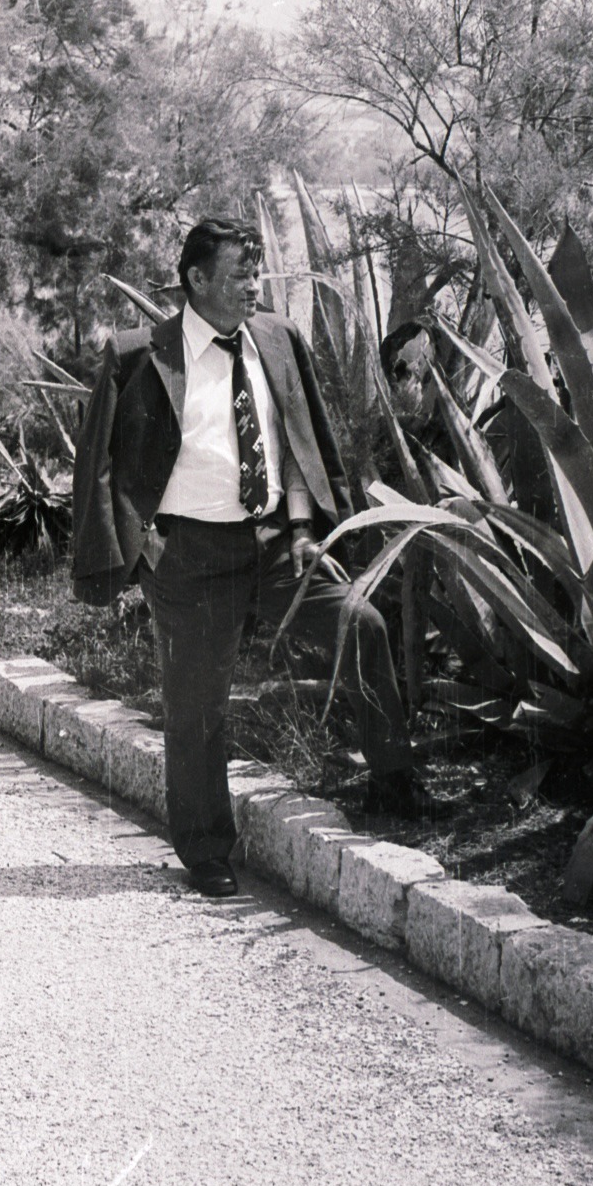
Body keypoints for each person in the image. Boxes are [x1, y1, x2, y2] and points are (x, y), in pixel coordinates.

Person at [72, 216, 428, 897]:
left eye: (256, 271)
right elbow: (100, 466)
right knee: (197, 709)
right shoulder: (141, 354)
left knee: (362, 625)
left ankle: (394, 784)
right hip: (190, 554)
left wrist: (303, 527)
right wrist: (137, 553)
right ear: (196, 278)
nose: (254, 285)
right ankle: (207, 850)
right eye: (240, 274)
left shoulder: (277, 338)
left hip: (276, 545)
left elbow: (295, 437)